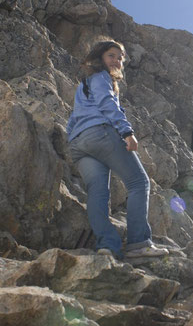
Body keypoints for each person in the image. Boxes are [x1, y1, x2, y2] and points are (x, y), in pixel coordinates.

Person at [66, 40, 168, 259]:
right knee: (138, 183)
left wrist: (72, 140)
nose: (118, 61)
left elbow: (73, 118)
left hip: (79, 143)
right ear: (100, 57)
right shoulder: (102, 78)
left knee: (98, 193)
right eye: (112, 55)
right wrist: (127, 132)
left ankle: (107, 246)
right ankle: (139, 244)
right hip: (101, 133)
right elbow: (107, 103)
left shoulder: (84, 83)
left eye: (121, 58)